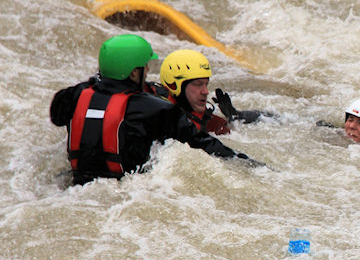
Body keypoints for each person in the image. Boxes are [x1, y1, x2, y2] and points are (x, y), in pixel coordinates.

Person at [50, 34, 259, 186]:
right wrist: (251, 166)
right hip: (123, 190)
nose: (148, 71)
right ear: (134, 73)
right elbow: (202, 143)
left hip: (73, 185)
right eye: (145, 67)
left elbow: (57, 116)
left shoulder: (74, 95)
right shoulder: (153, 108)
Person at [157, 49, 266, 135]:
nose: (206, 92)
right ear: (173, 85)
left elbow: (274, 118)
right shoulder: (154, 118)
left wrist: (236, 115)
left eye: (206, 84)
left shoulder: (207, 121)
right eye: (198, 84)